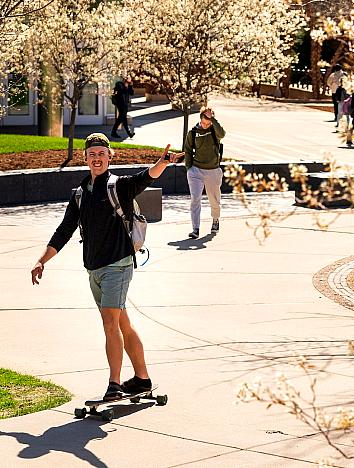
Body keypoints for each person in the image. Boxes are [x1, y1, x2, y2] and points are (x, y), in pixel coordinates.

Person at [31, 133, 184, 400]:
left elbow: (144, 178)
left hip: (119, 265)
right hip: (94, 269)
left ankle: (114, 383)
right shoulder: (80, 193)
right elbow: (64, 230)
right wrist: (42, 260)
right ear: (85, 158)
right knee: (122, 322)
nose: (97, 158)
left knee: (109, 321)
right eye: (92, 154)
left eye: (102, 153)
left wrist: (163, 163)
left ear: (110, 156)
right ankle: (142, 379)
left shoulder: (118, 186)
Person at [183, 106, 225, 239]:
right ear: (200, 119)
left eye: (208, 123)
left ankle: (215, 220)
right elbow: (188, 150)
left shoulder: (215, 130)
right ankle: (195, 228)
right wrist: (189, 168)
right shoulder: (193, 132)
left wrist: (212, 118)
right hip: (196, 171)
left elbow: (222, 134)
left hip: (213, 171)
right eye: (204, 122)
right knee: (195, 199)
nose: (206, 125)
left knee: (214, 200)